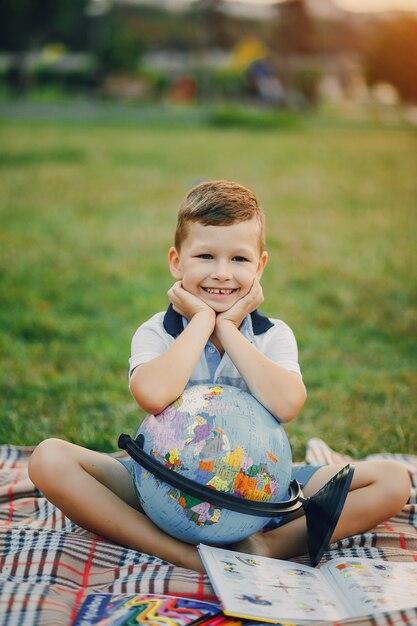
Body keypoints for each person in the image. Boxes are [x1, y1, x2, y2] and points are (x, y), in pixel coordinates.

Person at [28, 180, 410, 572]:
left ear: (260, 266)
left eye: (239, 260)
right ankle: (179, 553)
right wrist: (202, 321)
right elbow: (154, 395)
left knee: (393, 481)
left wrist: (228, 328)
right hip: (163, 484)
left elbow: (287, 404)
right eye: (206, 256)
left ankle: (264, 546)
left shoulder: (272, 334)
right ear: (177, 262)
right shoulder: (157, 332)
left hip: (260, 487)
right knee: (49, 459)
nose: (222, 274)